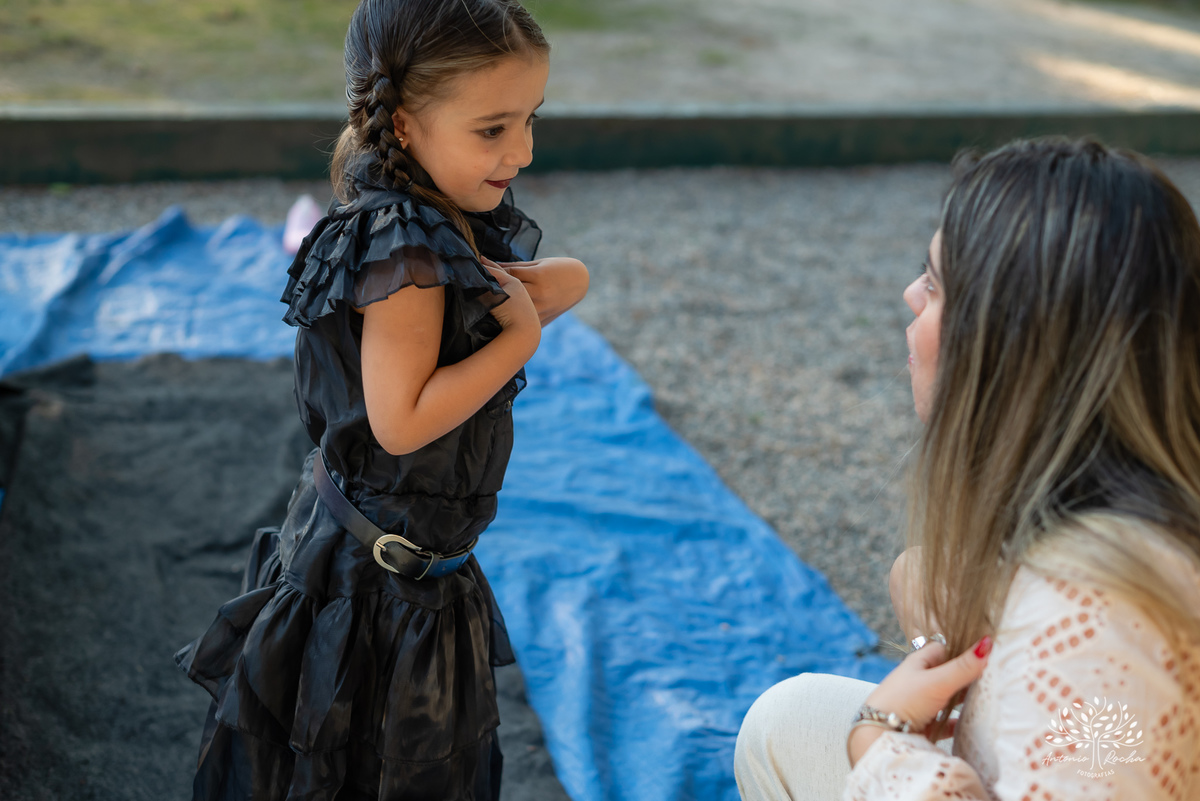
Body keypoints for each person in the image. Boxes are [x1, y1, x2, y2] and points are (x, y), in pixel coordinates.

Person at [175, 2, 588, 799]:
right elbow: (401, 422)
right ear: (403, 125)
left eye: (531, 119)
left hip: (418, 570)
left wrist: (567, 283)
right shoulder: (404, 248)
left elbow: (539, 280)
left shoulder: (442, 209)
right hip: (370, 588)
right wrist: (518, 341)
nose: (524, 151)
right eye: (494, 128)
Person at [734, 137, 1200, 800]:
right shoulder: (1138, 507)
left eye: (934, 283)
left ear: (1005, 348)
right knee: (794, 715)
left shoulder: (1094, 624)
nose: (908, 295)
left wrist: (882, 741)